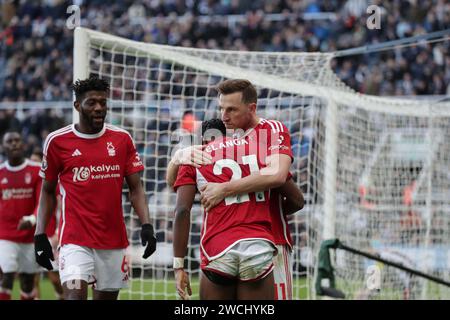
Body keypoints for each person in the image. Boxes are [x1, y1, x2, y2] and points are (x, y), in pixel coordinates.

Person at [34, 77, 157, 300]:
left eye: (103, 102)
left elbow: (136, 188)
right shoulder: (57, 141)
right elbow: (47, 190)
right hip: (74, 241)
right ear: (77, 106)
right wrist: (40, 234)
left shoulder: (122, 139)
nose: (99, 107)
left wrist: (146, 225)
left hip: (113, 241)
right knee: (74, 297)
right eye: (92, 102)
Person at [168, 119, 304, 300]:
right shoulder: (258, 151)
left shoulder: (195, 157)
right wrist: (260, 210)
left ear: (202, 140)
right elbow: (297, 200)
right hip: (261, 243)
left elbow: (181, 208)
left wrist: (178, 265)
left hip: (218, 246)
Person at [0, 131, 41, 300]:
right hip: (6, 235)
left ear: (23, 145)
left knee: (27, 283)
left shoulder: (36, 170)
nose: (14, 144)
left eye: (17, 141)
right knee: (7, 275)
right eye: (10, 141)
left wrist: (32, 219)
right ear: (4, 147)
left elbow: (43, 203)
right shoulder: (1, 172)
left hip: (30, 236)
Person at [29, 147, 64, 300]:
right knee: (31, 279)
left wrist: (57, 232)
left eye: (37, 162)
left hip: (49, 236)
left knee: (55, 279)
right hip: (29, 237)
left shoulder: (51, 184)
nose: (34, 166)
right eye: (32, 162)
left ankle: (61, 295)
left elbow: (61, 208)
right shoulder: (27, 184)